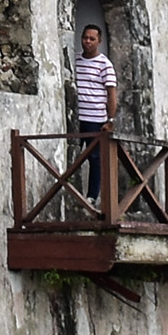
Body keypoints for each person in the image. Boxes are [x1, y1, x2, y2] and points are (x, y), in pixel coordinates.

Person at [70, 22, 118, 212]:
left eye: (92, 39)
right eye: (85, 37)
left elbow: (111, 93)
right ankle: (72, 194)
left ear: (99, 41)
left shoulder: (105, 65)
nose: (87, 42)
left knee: (95, 158)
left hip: (95, 119)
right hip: (77, 117)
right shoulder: (75, 61)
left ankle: (91, 196)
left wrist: (110, 120)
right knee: (74, 157)